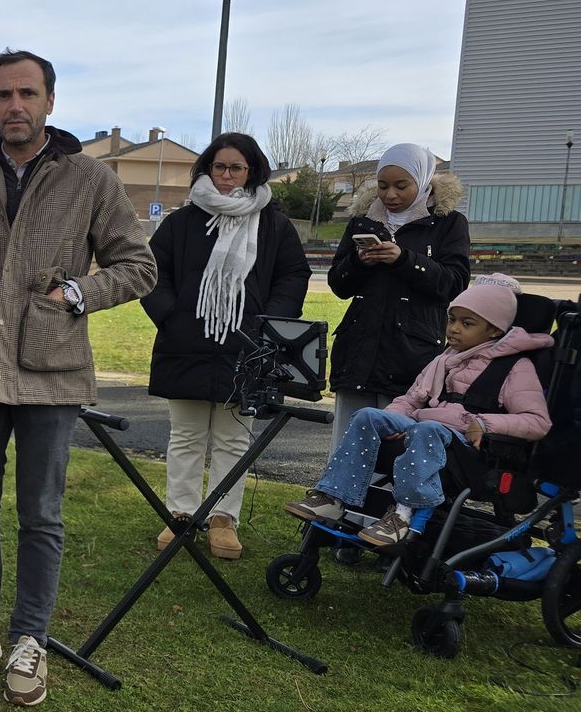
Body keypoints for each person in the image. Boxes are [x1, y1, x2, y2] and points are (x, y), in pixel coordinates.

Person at [0, 49, 156, 706]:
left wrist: (75, 294)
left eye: (27, 93)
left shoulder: (90, 179)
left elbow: (138, 265)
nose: (15, 105)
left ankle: (31, 636)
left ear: (50, 101)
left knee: (41, 513)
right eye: (4, 94)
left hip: (52, 370)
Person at [288, 274, 551, 547]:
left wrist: (485, 424)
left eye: (467, 323)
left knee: (427, 429)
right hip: (425, 432)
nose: (453, 329)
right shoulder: (444, 360)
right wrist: (393, 419)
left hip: (467, 450)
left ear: (494, 330)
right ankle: (333, 498)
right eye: (451, 319)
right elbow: (411, 400)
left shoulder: (515, 368)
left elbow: (537, 421)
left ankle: (403, 515)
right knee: (368, 416)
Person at [142, 133, 310, 559]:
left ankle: (222, 519)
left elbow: (293, 275)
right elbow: (151, 273)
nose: (227, 176)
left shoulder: (274, 224)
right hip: (186, 342)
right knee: (186, 435)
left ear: (252, 171)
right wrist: (172, 316)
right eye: (219, 167)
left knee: (233, 439)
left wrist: (265, 325)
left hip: (246, 346)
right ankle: (180, 515)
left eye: (237, 168)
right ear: (207, 169)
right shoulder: (181, 222)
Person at [327, 143, 469, 453]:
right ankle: (342, 487)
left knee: (398, 450)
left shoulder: (448, 222)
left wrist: (404, 259)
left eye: (401, 186)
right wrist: (358, 262)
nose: (390, 195)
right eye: (382, 186)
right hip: (358, 353)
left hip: (412, 355)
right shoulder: (362, 220)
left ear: (423, 181)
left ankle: (391, 489)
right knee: (347, 446)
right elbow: (338, 284)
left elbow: (455, 283)